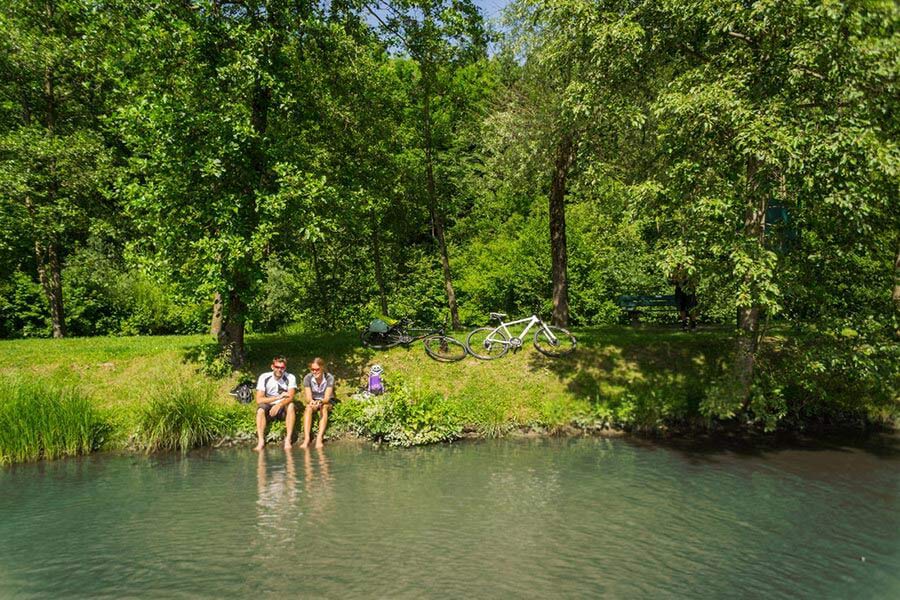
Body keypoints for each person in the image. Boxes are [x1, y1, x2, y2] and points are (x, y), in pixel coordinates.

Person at [254, 356, 297, 451]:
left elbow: (291, 396)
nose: (279, 370)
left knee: (291, 406)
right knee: (260, 410)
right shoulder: (264, 377)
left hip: (283, 405)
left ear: (285, 368)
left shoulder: (290, 377)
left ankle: (288, 439)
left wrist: (279, 404)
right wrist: (277, 398)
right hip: (269, 404)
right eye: (277, 367)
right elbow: (259, 400)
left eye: (282, 368)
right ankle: (261, 440)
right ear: (272, 367)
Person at [300, 357, 334, 449]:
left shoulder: (329, 377)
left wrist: (320, 402)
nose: (314, 372)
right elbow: (308, 397)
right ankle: (307, 438)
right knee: (308, 408)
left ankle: (319, 438)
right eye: (312, 369)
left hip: (325, 401)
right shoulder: (307, 378)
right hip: (314, 400)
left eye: (317, 369)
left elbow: (327, 398)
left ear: (322, 368)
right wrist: (312, 402)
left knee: (324, 408)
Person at [671, 265, 698, 331]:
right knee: (682, 308)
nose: (680, 268)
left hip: (689, 291)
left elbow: (693, 281)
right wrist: (676, 279)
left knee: (692, 307)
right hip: (679, 292)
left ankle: (693, 324)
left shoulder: (690, 270)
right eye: (679, 266)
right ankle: (684, 324)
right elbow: (673, 281)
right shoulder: (675, 271)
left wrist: (684, 279)